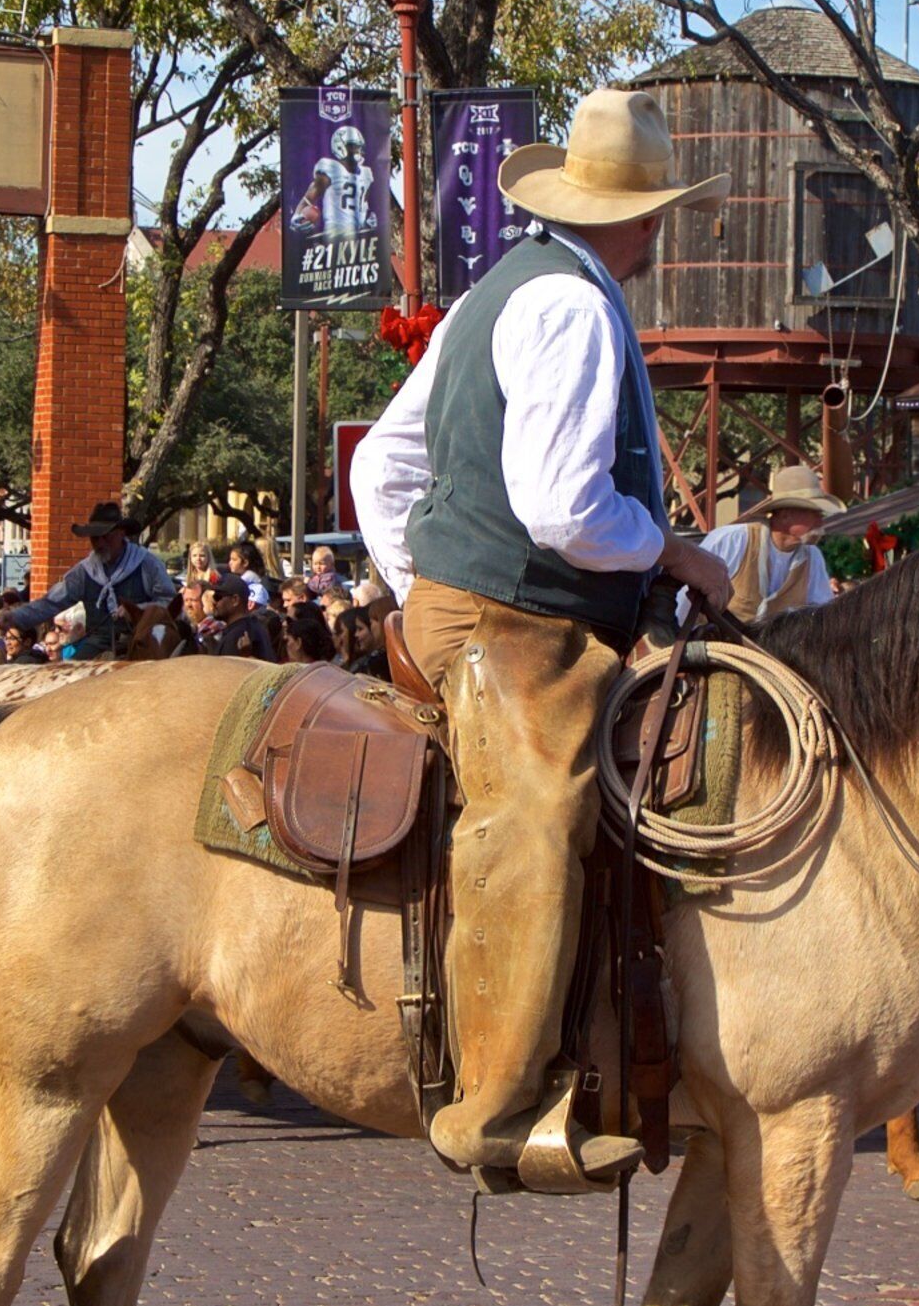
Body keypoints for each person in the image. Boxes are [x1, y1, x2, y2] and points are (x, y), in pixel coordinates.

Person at [348, 85, 732, 1192]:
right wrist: (674, 554)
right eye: (661, 211)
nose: (660, 231)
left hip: (489, 603)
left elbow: (381, 464)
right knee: (541, 809)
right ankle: (499, 1111)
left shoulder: (496, 293)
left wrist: (421, 584)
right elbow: (565, 509)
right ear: (645, 215)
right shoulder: (571, 306)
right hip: (523, 626)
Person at [4, 502, 179, 643]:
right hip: (98, 642)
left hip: (142, 641)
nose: (100, 543)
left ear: (121, 533)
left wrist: (138, 611)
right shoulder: (84, 572)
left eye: (106, 536)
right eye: (95, 538)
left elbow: (168, 602)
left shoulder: (146, 564)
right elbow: (51, 603)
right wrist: (14, 618)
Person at [696, 465, 842, 624]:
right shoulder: (733, 541)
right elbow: (686, 599)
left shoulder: (812, 557)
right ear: (786, 515)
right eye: (814, 513)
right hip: (714, 645)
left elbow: (821, 614)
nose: (820, 522)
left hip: (773, 648)